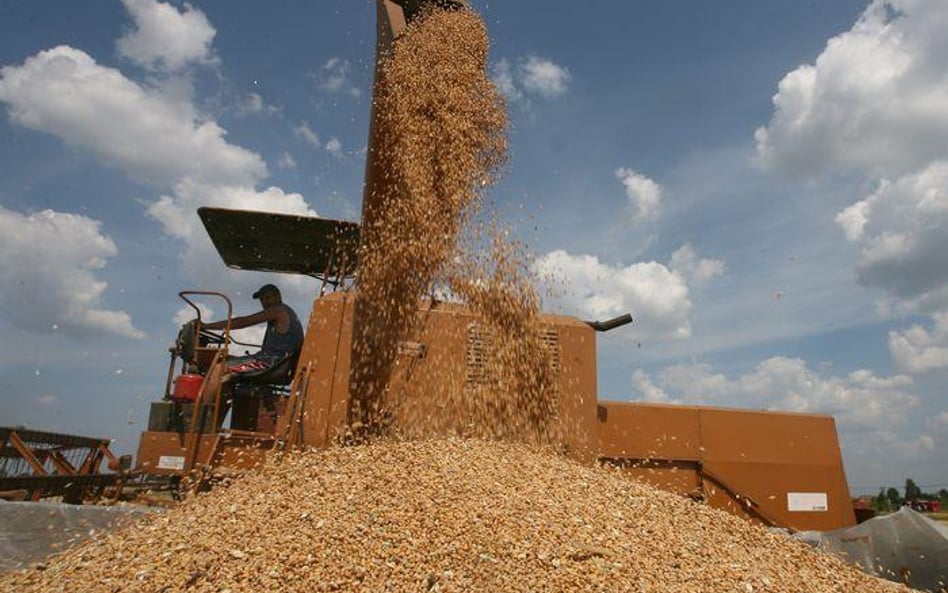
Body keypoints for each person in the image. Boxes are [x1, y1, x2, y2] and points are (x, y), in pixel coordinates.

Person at [204, 283, 304, 376]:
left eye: (268, 298)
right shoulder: (286, 312)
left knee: (218, 368)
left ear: (278, 296)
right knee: (224, 359)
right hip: (276, 362)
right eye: (262, 300)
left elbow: (242, 322)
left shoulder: (278, 310)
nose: (265, 303)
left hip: (271, 363)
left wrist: (205, 326)